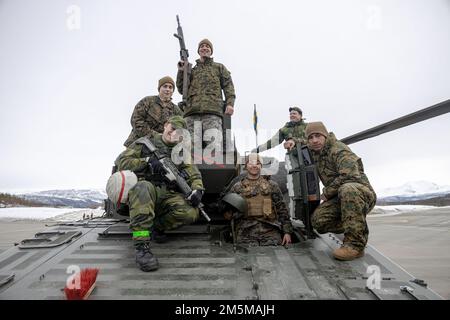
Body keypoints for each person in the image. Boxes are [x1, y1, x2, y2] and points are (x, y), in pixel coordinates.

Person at [115, 116, 204, 271]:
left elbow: (193, 173)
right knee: (142, 187)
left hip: (167, 194)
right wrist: (147, 162)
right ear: (165, 125)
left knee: (190, 213)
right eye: (173, 128)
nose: (174, 134)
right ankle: (141, 247)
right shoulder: (144, 143)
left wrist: (197, 190)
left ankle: (156, 227)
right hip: (145, 191)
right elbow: (121, 161)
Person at [305, 122, 377, 261]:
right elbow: (303, 142)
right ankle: (354, 223)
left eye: (318, 136)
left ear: (325, 136)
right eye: (311, 137)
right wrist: (291, 141)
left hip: (359, 193)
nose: (314, 140)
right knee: (318, 222)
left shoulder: (338, 150)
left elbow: (350, 175)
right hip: (338, 197)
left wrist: (326, 192)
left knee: (347, 188)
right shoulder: (316, 152)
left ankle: (355, 246)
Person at [176, 39, 235, 149]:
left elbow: (228, 86)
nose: (204, 48)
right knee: (190, 149)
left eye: (207, 46)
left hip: (212, 113)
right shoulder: (192, 70)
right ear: (199, 51)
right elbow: (181, 89)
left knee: (214, 147)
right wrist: (181, 71)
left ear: (211, 51)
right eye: (202, 46)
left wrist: (230, 103)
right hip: (192, 113)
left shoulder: (219, 67)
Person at [225, 153, 293, 246]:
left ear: (261, 166)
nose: (254, 166)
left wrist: (287, 232)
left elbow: (282, 210)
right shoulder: (237, 187)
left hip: (270, 230)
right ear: (246, 166)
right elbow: (229, 212)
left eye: (257, 163)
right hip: (245, 231)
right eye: (250, 163)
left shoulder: (272, 185)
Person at [123, 76, 183, 147]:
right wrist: (155, 136)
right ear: (159, 88)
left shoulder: (176, 110)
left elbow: (179, 130)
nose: (167, 89)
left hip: (159, 149)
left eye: (170, 87)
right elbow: (136, 121)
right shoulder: (147, 101)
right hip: (138, 143)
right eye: (165, 86)